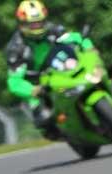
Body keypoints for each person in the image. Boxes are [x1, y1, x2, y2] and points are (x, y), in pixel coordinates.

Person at [6, 1, 96, 140]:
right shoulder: (15, 48)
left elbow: (75, 37)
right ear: (22, 23)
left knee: (96, 74)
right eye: (32, 23)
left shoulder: (54, 29)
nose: (37, 26)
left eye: (40, 22)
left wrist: (88, 46)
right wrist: (32, 90)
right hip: (39, 85)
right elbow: (14, 81)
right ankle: (67, 135)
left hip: (62, 69)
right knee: (44, 120)